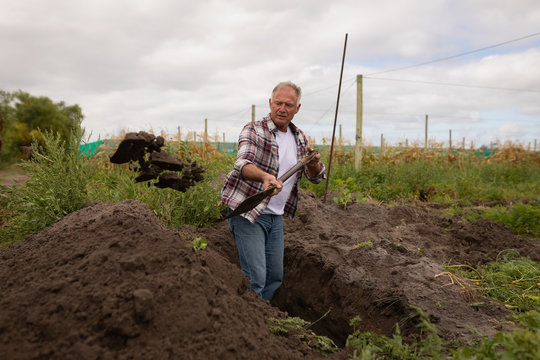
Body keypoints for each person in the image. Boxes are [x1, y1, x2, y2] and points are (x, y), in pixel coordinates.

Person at [221, 81, 326, 301]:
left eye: (289, 105)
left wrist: (313, 162)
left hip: (275, 216)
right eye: (278, 103)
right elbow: (242, 164)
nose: (282, 108)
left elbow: (316, 177)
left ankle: (265, 321)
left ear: (297, 108)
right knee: (256, 278)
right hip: (249, 212)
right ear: (270, 103)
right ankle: (249, 323)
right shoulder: (254, 130)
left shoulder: (300, 138)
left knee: (275, 277)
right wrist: (264, 177)